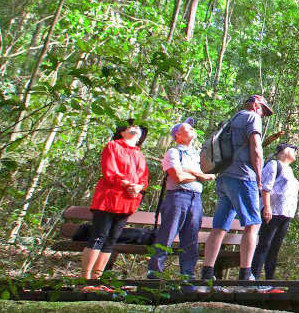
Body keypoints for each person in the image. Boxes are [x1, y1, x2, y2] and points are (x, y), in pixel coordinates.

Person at [200, 95, 274, 286]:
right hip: (243, 176)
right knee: (253, 225)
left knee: (219, 227)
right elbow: (256, 148)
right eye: (263, 110)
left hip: (224, 177)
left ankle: (207, 271)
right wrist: (259, 176)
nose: (263, 115)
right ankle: (245, 273)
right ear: (256, 105)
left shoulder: (233, 119)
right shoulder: (252, 118)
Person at [81, 120, 149, 292]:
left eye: (138, 128)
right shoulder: (113, 146)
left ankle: (96, 280)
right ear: (122, 132)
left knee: (111, 240)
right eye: (131, 127)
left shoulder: (139, 154)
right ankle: (85, 281)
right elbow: (109, 171)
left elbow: (144, 179)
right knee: (99, 237)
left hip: (127, 202)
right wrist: (127, 184)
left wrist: (138, 187)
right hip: (108, 199)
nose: (135, 129)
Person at [146, 118, 216, 283]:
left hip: (195, 199)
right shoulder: (173, 152)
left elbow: (208, 175)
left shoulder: (198, 155)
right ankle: (154, 273)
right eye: (188, 129)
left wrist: (190, 172)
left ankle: (187, 274)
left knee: (191, 237)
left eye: (193, 128)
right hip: (177, 196)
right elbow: (177, 176)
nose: (192, 130)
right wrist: (199, 176)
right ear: (177, 135)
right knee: (167, 234)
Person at [251, 142, 299, 291]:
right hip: (272, 211)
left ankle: (269, 281)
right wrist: (267, 207)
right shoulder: (273, 164)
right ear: (284, 151)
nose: (296, 152)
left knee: (275, 248)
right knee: (264, 244)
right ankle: (254, 279)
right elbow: (266, 188)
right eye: (294, 149)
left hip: (286, 214)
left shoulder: (290, 170)